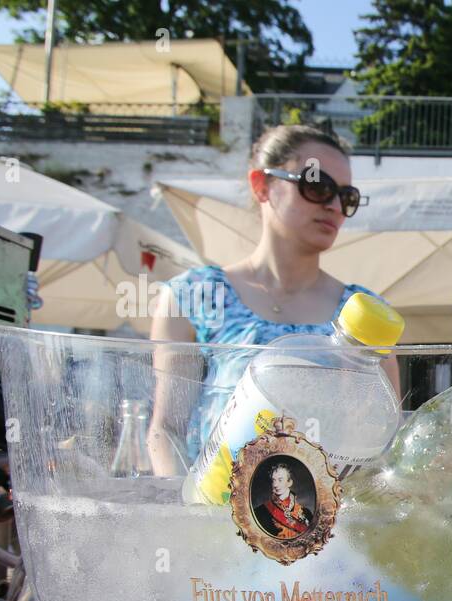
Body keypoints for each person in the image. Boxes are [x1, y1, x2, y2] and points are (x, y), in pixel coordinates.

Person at [147, 124, 394, 474]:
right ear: (262, 186)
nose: (336, 206)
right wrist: (183, 518)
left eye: (347, 196)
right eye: (317, 186)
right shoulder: (194, 294)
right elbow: (167, 429)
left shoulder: (364, 315)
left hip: (326, 523)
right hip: (213, 515)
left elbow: (380, 451)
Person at [254, 462, 314, 539]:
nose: (275, 485)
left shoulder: (306, 513)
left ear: (289, 482)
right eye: (273, 480)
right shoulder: (259, 512)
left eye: (280, 480)